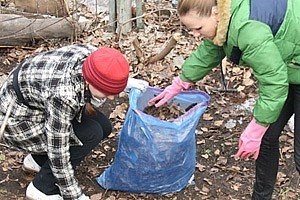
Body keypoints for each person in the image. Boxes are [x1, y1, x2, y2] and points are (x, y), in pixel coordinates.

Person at [148, 0, 300, 199]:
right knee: (266, 139)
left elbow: (274, 83)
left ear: (214, 13)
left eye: (198, 28)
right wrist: (180, 83)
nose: (195, 34)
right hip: (287, 68)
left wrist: (257, 127)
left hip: (285, 73)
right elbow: (211, 50)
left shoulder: (247, 29)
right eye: (191, 30)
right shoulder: (225, 17)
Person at [0, 44, 148, 200]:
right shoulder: (64, 95)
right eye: (106, 92)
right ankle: (42, 188)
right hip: (17, 121)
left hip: (38, 106)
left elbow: (105, 74)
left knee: (104, 127)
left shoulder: (91, 57)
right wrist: (74, 195)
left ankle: (37, 160)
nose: (111, 98)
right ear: (90, 80)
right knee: (91, 133)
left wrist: (124, 83)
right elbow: (58, 150)